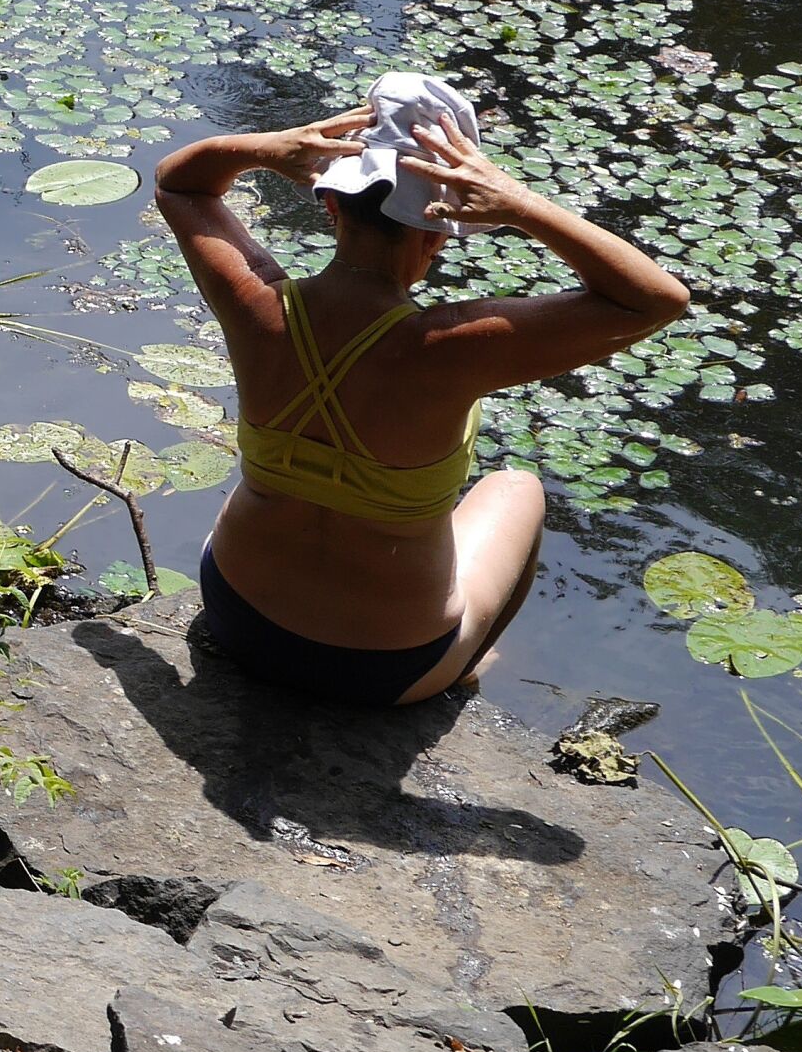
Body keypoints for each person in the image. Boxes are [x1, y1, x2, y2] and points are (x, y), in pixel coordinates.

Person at [153, 72, 690, 706]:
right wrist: (523, 205)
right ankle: (464, 664)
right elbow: (657, 299)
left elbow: (178, 183)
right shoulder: (454, 347)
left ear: (331, 205)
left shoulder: (256, 303)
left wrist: (266, 147)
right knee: (516, 487)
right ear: (439, 233)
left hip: (237, 617)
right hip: (387, 671)